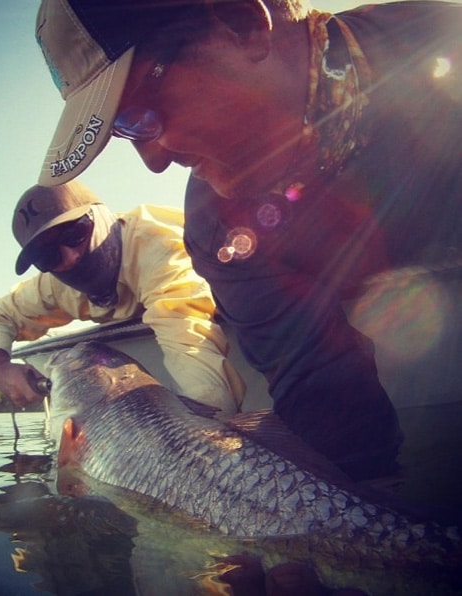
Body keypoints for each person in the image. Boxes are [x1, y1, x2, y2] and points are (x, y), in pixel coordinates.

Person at [31, 0, 461, 482]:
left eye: (138, 117)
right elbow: (325, 399)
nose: (152, 161)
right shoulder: (217, 228)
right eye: (122, 132)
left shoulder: (447, 45)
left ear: (242, 23)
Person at [0, 181, 245, 413]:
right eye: (48, 255)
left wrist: (211, 428)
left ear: (101, 216)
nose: (70, 258)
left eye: (74, 232)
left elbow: (188, 340)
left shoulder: (158, 248)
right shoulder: (54, 286)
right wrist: (0, 366)